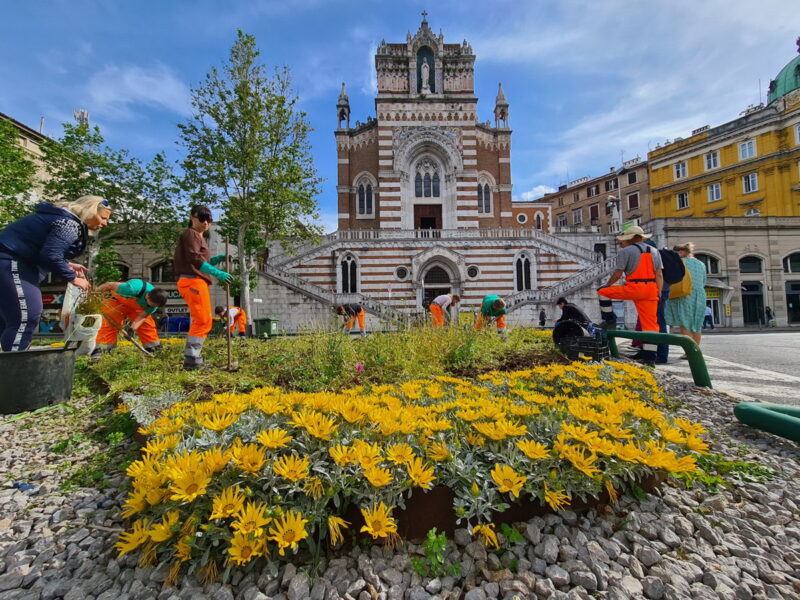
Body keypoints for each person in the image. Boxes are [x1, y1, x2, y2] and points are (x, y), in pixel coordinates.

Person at [0, 196, 110, 351]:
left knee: (8, 320)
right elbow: (50, 255)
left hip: (10, 260)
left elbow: (40, 249)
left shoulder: (57, 218)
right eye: (103, 218)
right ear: (90, 211)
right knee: (26, 316)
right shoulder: (69, 224)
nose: (105, 223)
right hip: (11, 263)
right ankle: (14, 370)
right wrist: (73, 278)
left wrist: (66, 264)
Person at [173, 205, 232, 370]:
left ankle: (193, 357)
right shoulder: (190, 234)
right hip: (192, 281)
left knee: (204, 320)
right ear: (192, 217)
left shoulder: (199, 237)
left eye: (210, 220)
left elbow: (200, 262)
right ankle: (192, 359)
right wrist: (217, 272)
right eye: (202, 218)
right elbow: (194, 260)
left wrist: (217, 259)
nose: (206, 223)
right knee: (202, 321)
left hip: (197, 281)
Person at [597, 226, 663, 365]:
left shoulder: (626, 251)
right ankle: (650, 357)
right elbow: (659, 274)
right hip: (651, 289)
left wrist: (608, 285)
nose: (621, 243)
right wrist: (659, 291)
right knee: (650, 325)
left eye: (623, 240)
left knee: (602, 292)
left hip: (633, 287)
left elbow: (618, 273)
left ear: (630, 239)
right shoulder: (655, 251)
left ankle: (610, 319)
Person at [94, 279, 169, 355]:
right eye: (150, 305)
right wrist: (94, 293)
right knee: (110, 325)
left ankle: (154, 349)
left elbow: (142, 317)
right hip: (116, 301)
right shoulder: (130, 289)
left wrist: (132, 329)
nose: (152, 307)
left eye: (154, 306)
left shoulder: (154, 304)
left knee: (146, 325)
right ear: (148, 297)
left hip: (137, 308)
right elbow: (109, 284)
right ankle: (102, 350)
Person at [665, 242, 707, 357]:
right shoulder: (701, 264)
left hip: (684, 294)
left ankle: (689, 352)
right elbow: (704, 281)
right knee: (697, 324)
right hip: (700, 295)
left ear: (681, 252)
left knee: (685, 323)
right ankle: (696, 351)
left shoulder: (680, 262)